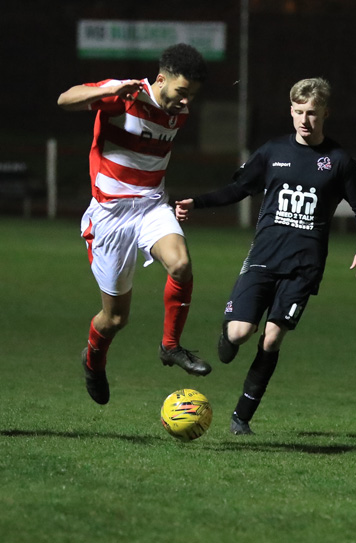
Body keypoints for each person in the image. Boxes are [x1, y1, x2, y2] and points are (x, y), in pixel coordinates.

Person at [175, 77, 356, 435]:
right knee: (240, 333)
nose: (304, 120)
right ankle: (228, 329)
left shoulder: (340, 160)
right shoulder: (272, 152)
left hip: (304, 267)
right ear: (291, 111)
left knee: (271, 338)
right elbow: (239, 188)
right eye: (298, 112)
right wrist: (198, 202)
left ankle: (241, 417)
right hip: (264, 257)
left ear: (326, 113)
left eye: (312, 113)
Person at [58, 43, 212, 406]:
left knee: (181, 264)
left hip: (152, 207)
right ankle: (93, 360)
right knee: (114, 319)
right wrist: (107, 90)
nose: (186, 103)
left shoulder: (177, 110)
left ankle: (170, 347)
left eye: (192, 96)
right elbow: (66, 100)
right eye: (182, 93)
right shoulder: (126, 94)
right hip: (110, 217)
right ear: (161, 80)